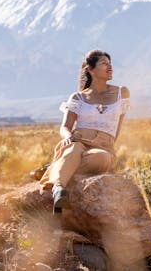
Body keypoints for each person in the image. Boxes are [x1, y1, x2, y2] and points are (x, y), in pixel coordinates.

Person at [39, 50, 130, 213]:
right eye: (104, 63)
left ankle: (57, 167)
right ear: (90, 69)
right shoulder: (77, 97)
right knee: (73, 149)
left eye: (110, 63)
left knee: (100, 158)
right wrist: (67, 137)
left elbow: (118, 127)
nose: (110, 67)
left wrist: (108, 145)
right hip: (79, 140)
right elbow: (65, 126)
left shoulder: (121, 93)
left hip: (102, 147)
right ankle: (58, 190)